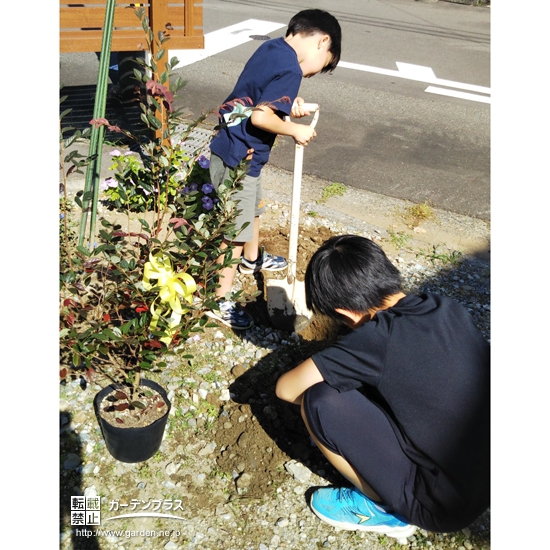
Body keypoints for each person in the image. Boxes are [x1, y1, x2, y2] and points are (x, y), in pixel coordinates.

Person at [275, 235, 490, 539]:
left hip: (441, 507)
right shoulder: (443, 306)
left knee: (319, 400)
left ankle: (385, 509)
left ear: (347, 314)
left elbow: (286, 389)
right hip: (489, 476)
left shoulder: (375, 339)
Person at [206, 9, 342, 330]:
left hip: (235, 150)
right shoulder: (291, 70)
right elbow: (260, 117)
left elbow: (260, 94)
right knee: (233, 233)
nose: (310, 75)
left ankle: (251, 261)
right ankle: (218, 298)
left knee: (252, 211)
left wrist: (288, 105)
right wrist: (295, 129)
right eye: (322, 65)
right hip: (238, 158)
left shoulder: (272, 49)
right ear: (323, 42)